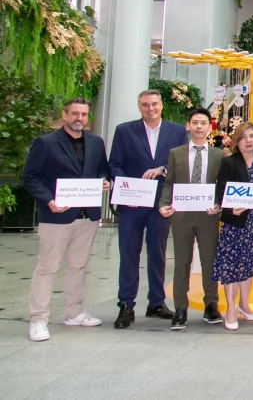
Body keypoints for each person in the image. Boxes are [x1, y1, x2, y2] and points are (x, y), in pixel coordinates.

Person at [22, 98, 111, 342]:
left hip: (87, 216)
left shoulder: (96, 143)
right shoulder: (46, 143)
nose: (79, 118)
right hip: (56, 216)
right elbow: (31, 177)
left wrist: (105, 181)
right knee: (47, 267)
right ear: (64, 115)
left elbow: (103, 169)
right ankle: (38, 318)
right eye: (74, 114)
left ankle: (74, 312)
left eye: (83, 114)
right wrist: (49, 200)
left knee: (78, 266)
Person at [107, 89, 187, 329]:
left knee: (158, 253)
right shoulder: (124, 131)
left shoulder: (177, 131)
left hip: (160, 204)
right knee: (129, 254)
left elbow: (181, 162)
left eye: (154, 104)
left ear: (161, 105)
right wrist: (125, 189)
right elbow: (115, 164)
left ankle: (156, 302)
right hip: (132, 203)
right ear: (139, 107)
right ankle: (126, 304)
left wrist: (162, 168)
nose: (150, 109)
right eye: (145, 105)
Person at [158, 108, 225, 330]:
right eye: (194, 122)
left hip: (207, 216)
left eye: (203, 123)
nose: (198, 126)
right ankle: (180, 308)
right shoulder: (176, 153)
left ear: (209, 127)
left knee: (209, 262)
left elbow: (220, 185)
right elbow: (169, 182)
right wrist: (164, 204)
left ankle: (211, 305)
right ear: (188, 126)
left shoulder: (218, 154)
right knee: (181, 263)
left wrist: (219, 204)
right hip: (182, 215)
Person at [212, 122, 253, 330]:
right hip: (235, 223)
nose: (249, 140)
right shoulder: (229, 162)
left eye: (252, 136)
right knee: (232, 267)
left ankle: (244, 305)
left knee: (249, 265)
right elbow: (221, 191)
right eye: (244, 136)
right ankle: (230, 308)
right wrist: (229, 209)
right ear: (237, 141)